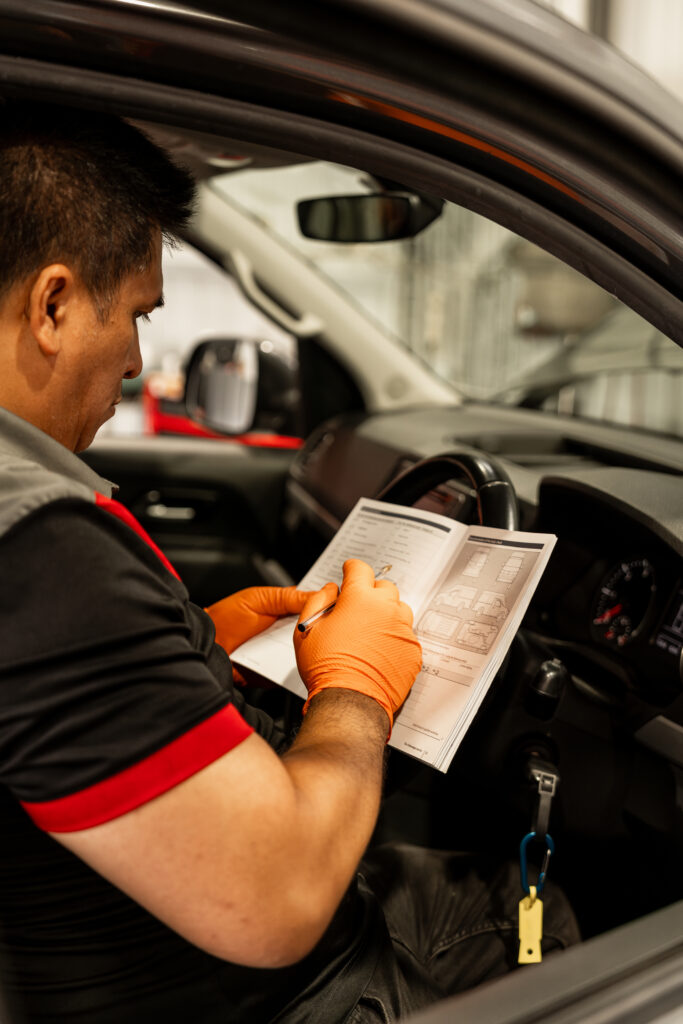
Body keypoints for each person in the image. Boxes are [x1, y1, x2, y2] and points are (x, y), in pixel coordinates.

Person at [0, 100, 579, 1023]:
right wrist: (356, 687)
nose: (136, 362)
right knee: (513, 910)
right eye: (137, 316)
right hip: (249, 992)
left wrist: (192, 649)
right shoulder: (40, 542)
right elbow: (275, 905)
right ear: (55, 304)